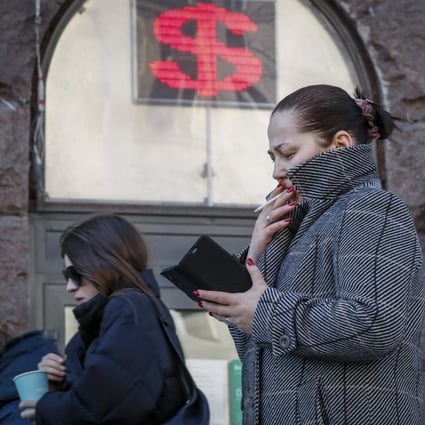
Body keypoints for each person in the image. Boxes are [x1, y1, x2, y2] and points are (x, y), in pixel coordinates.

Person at [196, 84, 425, 424]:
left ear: (341, 144)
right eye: (272, 158)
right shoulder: (292, 230)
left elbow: (375, 324)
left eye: (287, 154)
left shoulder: (371, 208)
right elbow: (258, 358)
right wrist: (257, 253)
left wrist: (264, 312)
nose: (277, 171)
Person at [18, 214, 192, 424]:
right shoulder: (131, 308)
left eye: (76, 274)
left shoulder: (128, 307)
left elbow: (104, 405)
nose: (70, 287)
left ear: (104, 265)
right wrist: (62, 380)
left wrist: (47, 407)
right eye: (67, 276)